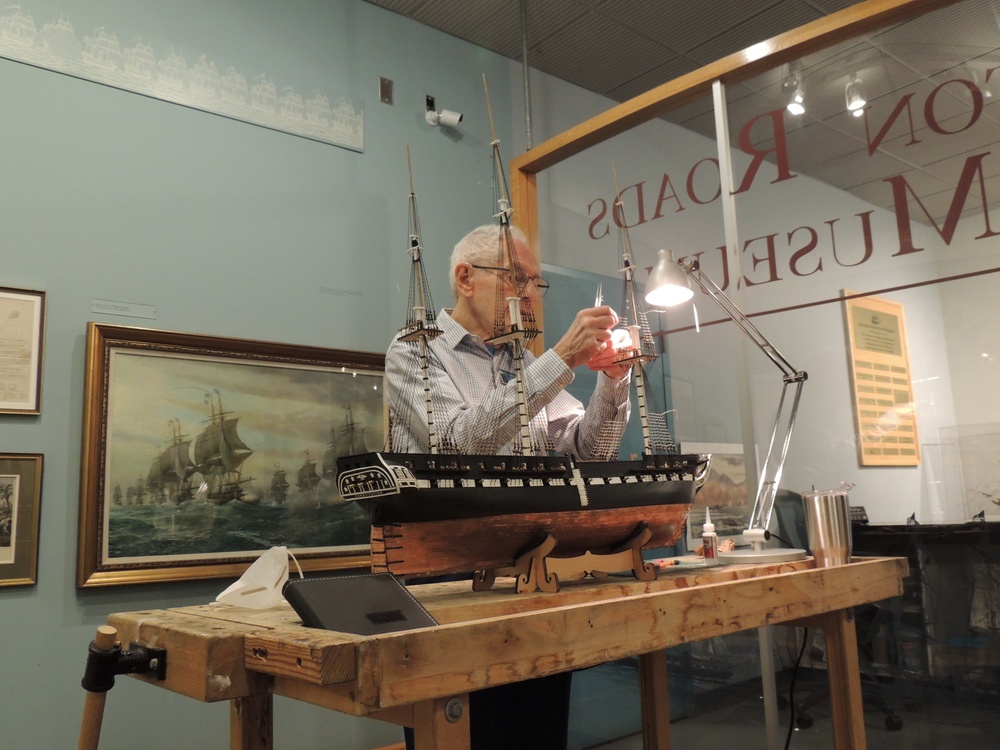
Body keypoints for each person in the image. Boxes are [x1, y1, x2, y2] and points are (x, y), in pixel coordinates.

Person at [387, 223, 633, 750]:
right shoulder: (414, 353)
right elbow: (455, 443)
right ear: (465, 278)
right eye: (516, 279)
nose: (527, 294)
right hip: (446, 590)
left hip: (530, 578)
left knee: (538, 732)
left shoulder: (522, 362)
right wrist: (560, 359)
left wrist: (613, 383)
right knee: (465, 734)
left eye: (534, 284)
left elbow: (584, 453)